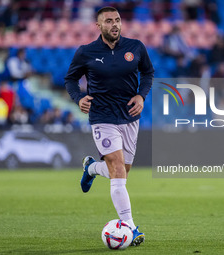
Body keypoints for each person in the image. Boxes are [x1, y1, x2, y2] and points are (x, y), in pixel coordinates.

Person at [64, 7, 154, 246]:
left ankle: (92, 168)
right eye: (108, 21)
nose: (114, 25)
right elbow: (70, 79)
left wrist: (141, 96)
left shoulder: (135, 48)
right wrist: (78, 98)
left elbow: (147, 73)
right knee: (116, 167)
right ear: (99, 26)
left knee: (122, 171)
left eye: (117, 20)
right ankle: (131, 228)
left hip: (129, 117)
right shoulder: (86, 52)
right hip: (102, 116)